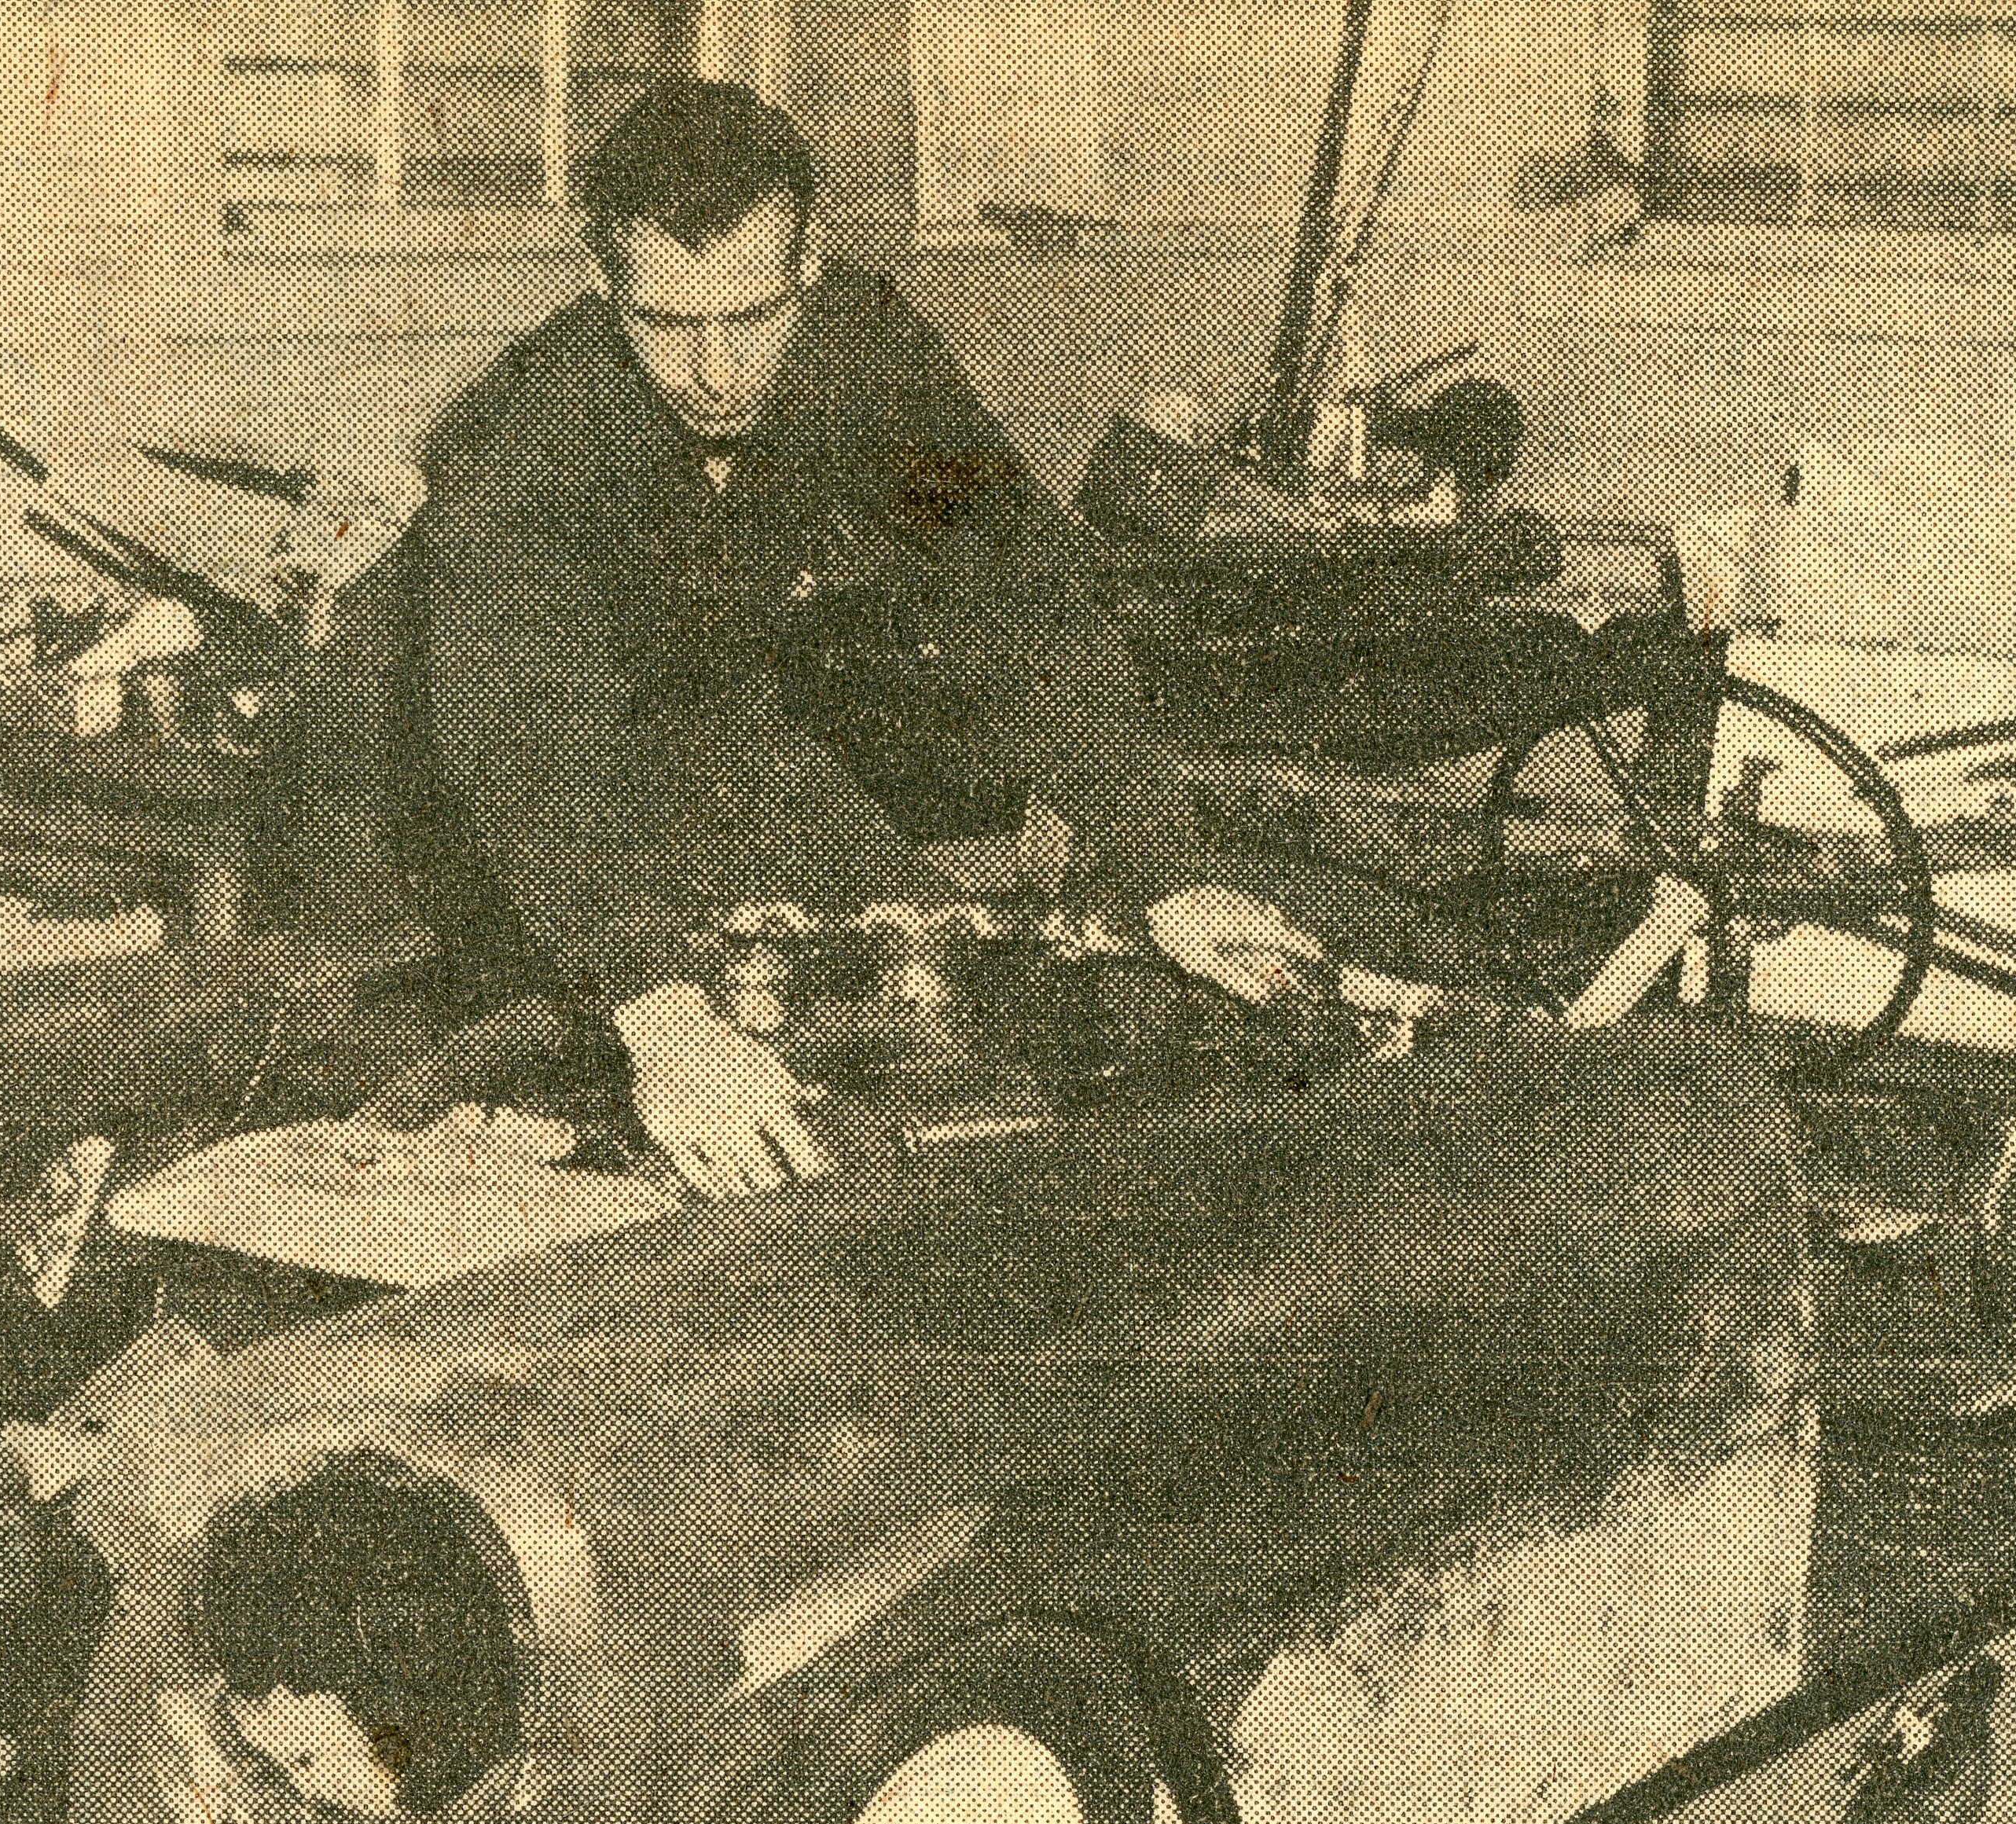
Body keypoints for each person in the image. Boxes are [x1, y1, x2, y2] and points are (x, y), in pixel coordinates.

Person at [383, 78, 1327, 1200]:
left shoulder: (864, 350)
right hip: (443, 781)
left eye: (752, 317)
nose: (716, 373)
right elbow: (530, 742)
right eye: (667, 326)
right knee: (528, 1107)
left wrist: (1165, 868)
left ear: (812, 260)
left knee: (932, 990)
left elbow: (1016, 601)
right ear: (604, 284)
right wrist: (659, 1010)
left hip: (709, 727)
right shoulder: (521, 439)